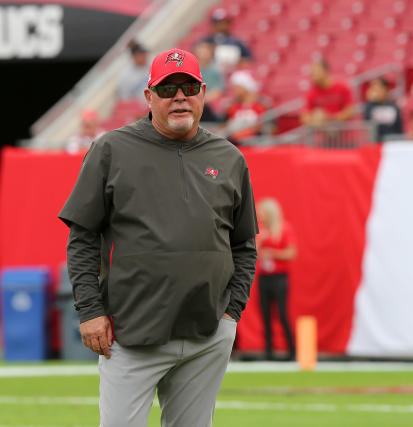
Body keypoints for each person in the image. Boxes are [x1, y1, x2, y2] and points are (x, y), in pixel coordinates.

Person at [59, 48, 258, 427]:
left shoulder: (230, 157)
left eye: (188, 86)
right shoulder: (111, 149)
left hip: (207, 333)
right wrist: (89, 311)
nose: (179, 96)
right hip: (130, 333)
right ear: (149, 97)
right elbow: (83, 237)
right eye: (168, 89)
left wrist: (232, 314)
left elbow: (244, 244)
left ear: (203, 93)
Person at [256, 198, 297, 361]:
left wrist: (272, 253)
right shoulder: (260, 231)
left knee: (282, 314)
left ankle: (292, 350)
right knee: (265, 314)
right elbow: (253, 253)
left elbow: (291, 253)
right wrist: (262, 241)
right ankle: (268, 351)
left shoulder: (284, 229)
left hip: (280, 278)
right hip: (264, 278)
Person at [300, 59, 354, 127]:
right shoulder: (312, 92)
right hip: (323, 135)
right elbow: (304, 117)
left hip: (344, 133)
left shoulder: (342, 87)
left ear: (326, 71)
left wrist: (330, 119)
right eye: (312, 73)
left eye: (316, 72)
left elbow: (350, 111)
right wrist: (315, 119)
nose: (313, 76)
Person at [202, 8, 253, 72]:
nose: (223, 25)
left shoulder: (237, 42)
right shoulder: (206, 42)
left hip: (232, 74)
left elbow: (248, 62)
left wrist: (233, 59)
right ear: (213, 25)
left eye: (226, 22)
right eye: (220, 23)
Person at [225, 70, 265, 144]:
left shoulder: (261, 105)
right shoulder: (233, 106)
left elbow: (266, 126)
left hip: (255, 142)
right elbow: (228, 125)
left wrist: (245, 133)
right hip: (235, 142)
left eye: (237, 87)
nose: (235, 90)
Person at [193, 40, 225, 121]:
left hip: (208, 104)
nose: (203, 54)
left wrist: (204, 99)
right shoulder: (192, 70)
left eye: (206, 52)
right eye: (201, 52)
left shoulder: (216, 71)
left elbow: (219, 89)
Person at [363, 77, 404, 142]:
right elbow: (367, 121)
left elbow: (399, 127)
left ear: (386, 89)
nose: (376, 92)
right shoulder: (371, 107)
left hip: (392, 143)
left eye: (378, 89)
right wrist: (370, 102)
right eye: (374, 90)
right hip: (377, 143)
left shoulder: (394, 107)